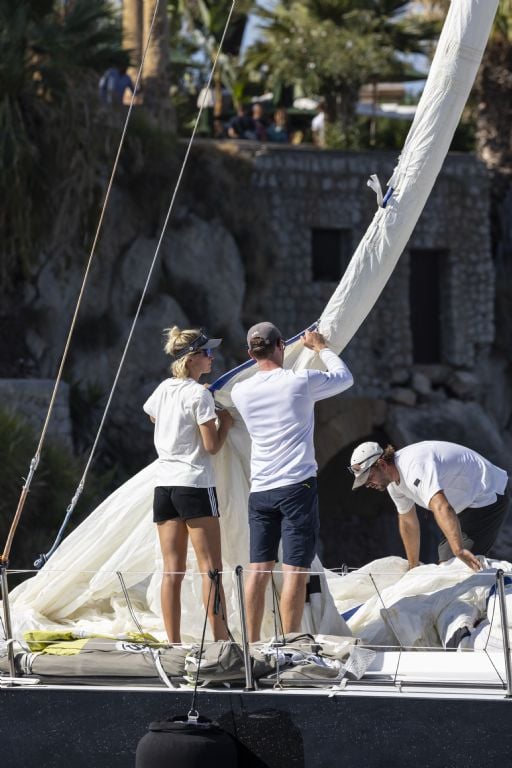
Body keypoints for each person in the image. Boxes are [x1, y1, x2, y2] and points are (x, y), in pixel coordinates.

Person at [231, 322, 354, 641]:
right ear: (281, 345)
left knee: (258, 569)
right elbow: (345, 378)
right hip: (296, 486)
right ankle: (290, 644)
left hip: (260, 491)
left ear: (250, 353)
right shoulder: (301, 381)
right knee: (295, 571)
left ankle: (251, 644)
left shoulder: (240, 391)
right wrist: (320, 347)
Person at [143, 326, 234, 643]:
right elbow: (211, 446)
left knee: (172, 570)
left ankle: (173, 643)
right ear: (193, 358)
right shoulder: (199, 395)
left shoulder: (164, 390)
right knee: (211, 568)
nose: (212, 357)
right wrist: (226, 424)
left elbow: (153, 416)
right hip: (195, 484)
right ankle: (222, 641)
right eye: (207, 352)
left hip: (164, 487)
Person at [349, 440, 510, 573]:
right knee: (447, 562)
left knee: (455, 566)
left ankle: (492, 596)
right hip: (464, 505)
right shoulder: (393, 484)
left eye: (369, 478)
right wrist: (413, 567)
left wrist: (459, 550)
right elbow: (408, 522)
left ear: (382, 465)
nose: (368, 485)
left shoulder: (414, 467)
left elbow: (441, 507)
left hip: (488, 494)